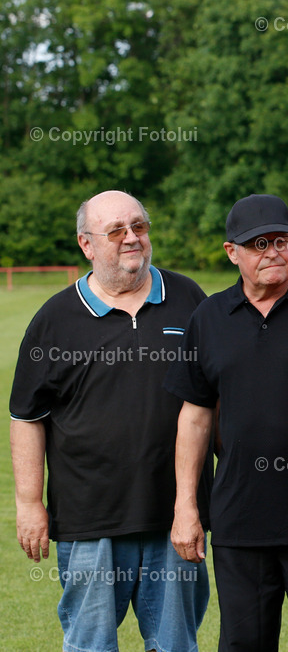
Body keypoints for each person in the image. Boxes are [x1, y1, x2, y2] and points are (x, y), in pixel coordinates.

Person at [10, 191, 210, 652]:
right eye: (116, 230)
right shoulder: (54, 320)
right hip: (88, 521)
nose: (131, 238)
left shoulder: (189, 300)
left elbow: (213, 403)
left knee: (177, 644)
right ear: (86, 245)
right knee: (90, 645)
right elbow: (26, 415)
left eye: (138, 226)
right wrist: (27, 502)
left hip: (176, 517)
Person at [165, 194, 288, 651]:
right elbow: (194, 418)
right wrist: (185, 506)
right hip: (240, 523)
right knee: (243, 644)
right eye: (258, 243)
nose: (274, 251)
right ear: (232, 252)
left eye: (282, 239)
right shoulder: (208, 317)